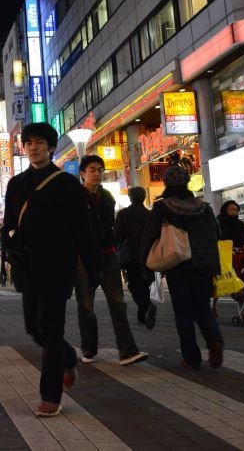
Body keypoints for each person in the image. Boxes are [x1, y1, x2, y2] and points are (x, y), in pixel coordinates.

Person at [1, 123, 100, 417]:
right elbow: (8, 225)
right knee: (33, 328)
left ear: (51, 147)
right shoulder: (16, 185)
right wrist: (12, 252)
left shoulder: (67, 185)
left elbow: (83, 231)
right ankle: (68, 359)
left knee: (51, 329)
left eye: (40, 142)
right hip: (27, 267)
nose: (34, 147)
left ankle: (50, 395)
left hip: (58, 268)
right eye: (29, 142)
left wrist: (93, 269)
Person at [140, 166, 224, 370]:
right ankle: (215, 341)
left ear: (166, 184)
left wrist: (145, 265)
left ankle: (191, 358)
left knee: (183, 312)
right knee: (202, 309)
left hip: (177, 264)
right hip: (203, 263)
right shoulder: (204, 207)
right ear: (187, 183)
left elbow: (149, 237)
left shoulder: (162, 208)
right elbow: (217, 234)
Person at [76, 155, 148, 366]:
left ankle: (127, 351)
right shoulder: (74, 197)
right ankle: (89, 349)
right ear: (82, 173)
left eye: (100, 170)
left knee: (118, 302)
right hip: (83, 258)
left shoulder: (107, 197)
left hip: (107, 255)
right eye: (92, 170)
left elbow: (110, 227)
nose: (97, 173)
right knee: (86, 305)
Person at [114, 187, 156, 329]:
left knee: (135, 285)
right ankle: (142, 314)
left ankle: (147, 306)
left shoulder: (123, 214)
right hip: (148, 255)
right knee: (145, 284)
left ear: (130, 198)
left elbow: (117, 236)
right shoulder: (150, 215)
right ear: (144, 197)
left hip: (130, 255)